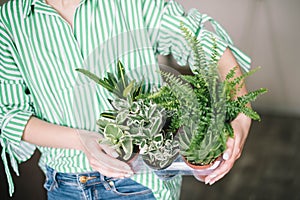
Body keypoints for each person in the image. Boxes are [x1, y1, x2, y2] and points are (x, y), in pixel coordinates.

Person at [0, 0, 252, 199]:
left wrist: (242, 114)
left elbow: (205, 43)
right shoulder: (10, 21)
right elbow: (9, 115)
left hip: (140, 182)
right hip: (65, 185)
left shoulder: (132, 3)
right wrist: (81, 140)